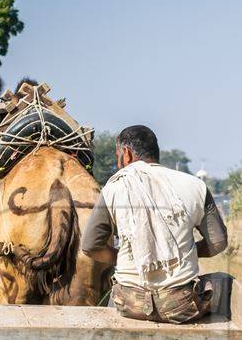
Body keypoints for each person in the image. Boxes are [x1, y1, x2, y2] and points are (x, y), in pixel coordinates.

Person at [81, 125, 228, 323]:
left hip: (130, 304)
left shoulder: (113, 188)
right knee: (224, 281)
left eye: (118, 156)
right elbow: (217, 242)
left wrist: (123, 257)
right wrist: (181, 252)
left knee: (116, 290)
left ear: (126, 154)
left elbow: (90, 246)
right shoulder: (196, 186)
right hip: (181, 305)